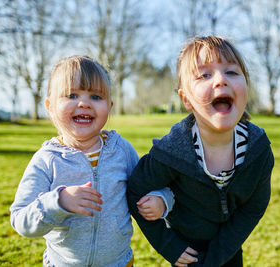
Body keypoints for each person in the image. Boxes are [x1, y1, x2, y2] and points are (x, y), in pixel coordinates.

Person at [10, 55, 174, 267]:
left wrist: (162, 200)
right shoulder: (47, 159)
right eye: (72, 94)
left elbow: (152, 186)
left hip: (118, 263)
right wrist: (58, 202)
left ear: (110, 105)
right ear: (49, 106)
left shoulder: (121, 150)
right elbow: (20, 219)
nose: (84, 103)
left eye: (96, 97)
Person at [127, 36, 274, 267]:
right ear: (186, 99)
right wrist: (169, 246)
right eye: (205, 75)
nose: (220, 80)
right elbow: (135, 190)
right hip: (187, 256)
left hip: (228, 248)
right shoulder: (172, 151)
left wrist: (216, 257)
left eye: (232, 72)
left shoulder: (258, 149)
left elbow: (254, 206)